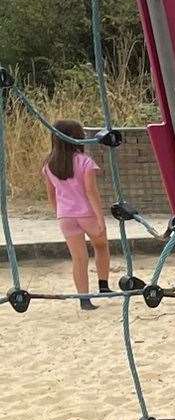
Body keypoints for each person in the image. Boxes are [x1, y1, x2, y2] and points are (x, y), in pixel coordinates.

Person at [42, 121, 111, 310]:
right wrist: (100, 218)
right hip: (86, 213)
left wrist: (59, 213)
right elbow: (91, 192)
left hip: (65, 215)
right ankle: (103, 286)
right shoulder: (84, 161)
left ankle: (84, 299)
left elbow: (51, 193)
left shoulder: (49, 164)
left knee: (79, 258)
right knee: (101, 245)